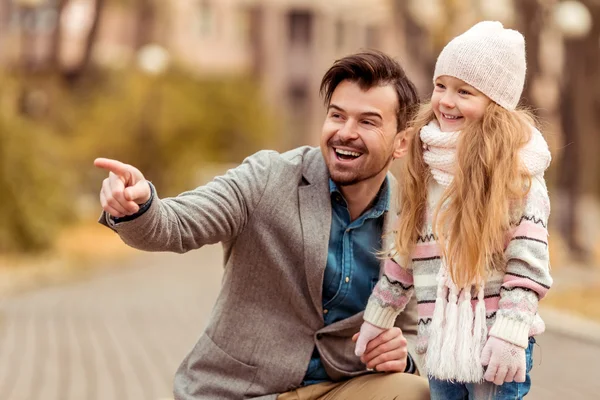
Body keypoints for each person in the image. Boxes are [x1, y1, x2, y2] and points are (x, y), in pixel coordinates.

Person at [94, 50, 430, 400]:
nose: (345, 133)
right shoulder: (269, 178)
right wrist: (140, 206)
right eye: (337, 115)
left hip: (341, 387)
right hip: (244, 391)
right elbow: (178, 223)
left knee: (415, 393)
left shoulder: (411, 217)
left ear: (402, 142)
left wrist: (403, 355)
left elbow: (411, 328)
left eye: (367, 121)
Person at [354, 21, 553, 399]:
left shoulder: (519, 176)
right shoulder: (428, 163)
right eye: (441, 86)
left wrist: (510, 334)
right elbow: (404, 253)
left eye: (464, 92)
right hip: (441, 342)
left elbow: (528, 265)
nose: (446, 100)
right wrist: (378, 318)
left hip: (496, 347)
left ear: (495, 104)